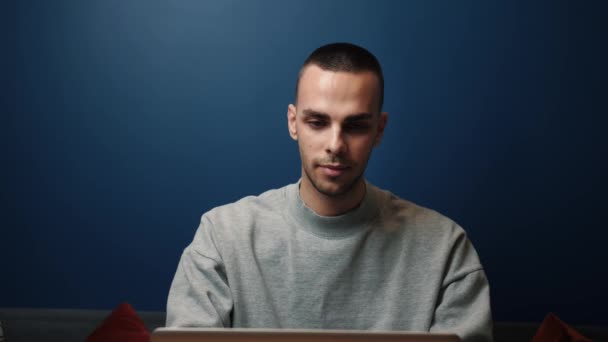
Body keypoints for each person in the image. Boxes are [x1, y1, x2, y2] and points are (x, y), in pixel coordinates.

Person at [166, 42, 493, 342]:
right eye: (318, 122)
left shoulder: (445, 249)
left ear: (379, 130)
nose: (336, 145)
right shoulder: (222, 238)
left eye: (355, 126)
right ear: (293, 122)